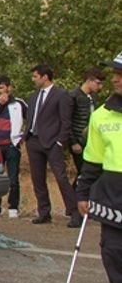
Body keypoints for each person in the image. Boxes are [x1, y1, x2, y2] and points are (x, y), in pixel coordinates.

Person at [76, 51, 122, 283]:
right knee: (114, 259)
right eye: (115, 73)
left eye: (121, 74)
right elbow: (92, 160)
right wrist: (82, 193)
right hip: (113, 204)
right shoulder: (101, 115)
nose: (115, 79)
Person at [24, 64, 80, 227]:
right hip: (33, 140)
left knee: (61, 177)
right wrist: (26, 135)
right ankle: (44, 211)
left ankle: (74, 212)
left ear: (45, 77)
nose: (33, 79)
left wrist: (60, 141)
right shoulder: (34, 96)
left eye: (35, 76)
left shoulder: (61, 95)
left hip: (52, 142)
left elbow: (65, 121)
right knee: (37, 178)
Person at [0, 75, 28, 218]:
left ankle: (13, 207)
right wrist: (0, 104)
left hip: (12, 145)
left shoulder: (19, 103)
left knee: (13, 178)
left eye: (2, 87)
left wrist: (23, 136)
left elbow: (31, 118)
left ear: (9, 88)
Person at [70, 68, 106, 187]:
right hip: (78, 140)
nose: (100, 87)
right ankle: (73, 199)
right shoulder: (73, 96)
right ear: (89, 80)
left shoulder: (93, 97)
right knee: (84, 172)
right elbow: (67, 122)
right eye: (98, 83)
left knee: (90, 172)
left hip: (91, 140)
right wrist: (74, 142)